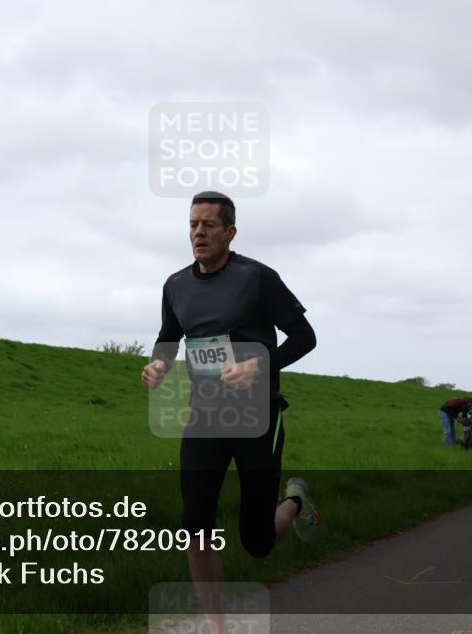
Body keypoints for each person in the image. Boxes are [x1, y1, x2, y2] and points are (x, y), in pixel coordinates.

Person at [141, 191, 317, 633]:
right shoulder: (175, 285)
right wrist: (159, 363)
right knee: (194, 523)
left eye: (208, 225)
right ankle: (218, 626)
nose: (198, 233)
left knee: (257, 542)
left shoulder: (257, 278)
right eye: (193, 225)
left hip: (258, 417)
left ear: (230, 232)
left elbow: (304, 336)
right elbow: (168, 335)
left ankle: (295, 502)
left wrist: (260, 364)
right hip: (205, 417)